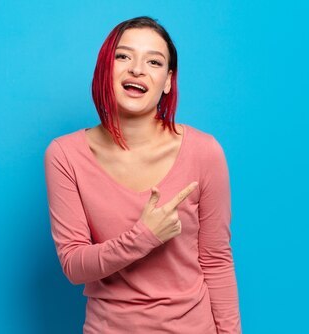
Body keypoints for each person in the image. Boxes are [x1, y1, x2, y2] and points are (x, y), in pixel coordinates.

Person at [44, 16, 241, 333]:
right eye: (123, 56)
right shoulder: (65, 155)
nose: (137, 69)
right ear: (105, 69)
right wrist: (143, 237)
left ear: (167, 81)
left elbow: (216, 261)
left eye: (154, 61)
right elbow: (73, 265)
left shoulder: (205, 152)